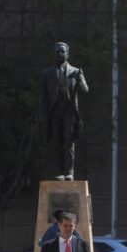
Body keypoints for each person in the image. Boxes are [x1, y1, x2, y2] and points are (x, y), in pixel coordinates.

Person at [40, 42, 89, 181]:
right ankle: (59, 171)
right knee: (57, 142)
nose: (60, 54)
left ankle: (69, 171)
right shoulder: (47, 73)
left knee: (69, 142)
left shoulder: (75, 71)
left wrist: (81, 79)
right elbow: (43, 97)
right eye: (57, 52)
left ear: (68, 54)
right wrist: (43, 115)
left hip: (70, 113)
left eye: (62, 52)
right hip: (54, 113)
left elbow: (85, 90)